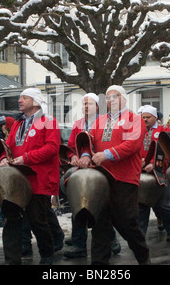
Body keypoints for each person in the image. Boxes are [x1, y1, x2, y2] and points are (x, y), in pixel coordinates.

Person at [77, 85, 150, 265]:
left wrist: (107, 154)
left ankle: (143, 257)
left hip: (124, 179)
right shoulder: (99, 120)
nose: (110, 100)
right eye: (107, 97)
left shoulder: (135, 119)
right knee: (99, 225)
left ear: (124, 98)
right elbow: (88, 140)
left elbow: (132, 144)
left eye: (115, 96)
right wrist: (86, 155)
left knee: (127, 223)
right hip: (101, 180)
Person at [0, 87, 61, 265]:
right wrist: (4, 158)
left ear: (35, 102)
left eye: (24, 98)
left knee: (37, 220)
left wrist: (26, 158)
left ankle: (47, 254)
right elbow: (8, 146)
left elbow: (51, 148)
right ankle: (11, 259)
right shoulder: (18, 124)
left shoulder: (48, 121)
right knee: (12, 219)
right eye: (20, 98)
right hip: (17, 180)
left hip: (38, 179)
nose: (19, 101)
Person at [63, 93, 121, 259]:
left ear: (98, 106)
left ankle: (111, 239)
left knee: (101, 206)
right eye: (83, 104)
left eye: (89, 104)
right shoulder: (78, 124)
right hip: (82, 170)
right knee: (77, 204)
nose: (85, 107)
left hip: (99, 168)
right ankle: (79, 244)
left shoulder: (105, 122)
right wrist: (73, 157)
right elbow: (70, 146)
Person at [137, 105, 170, 242]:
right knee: (142, 204)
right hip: (142, 174)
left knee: (163, 205)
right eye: (143, 117)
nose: (145, 120)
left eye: (148, 117)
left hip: (160, 172)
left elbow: (166, 150)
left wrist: (152, 163)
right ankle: (141, 234)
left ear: (155, 118)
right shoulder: (137, 130)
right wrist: (139, 161)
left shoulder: (163, 130)